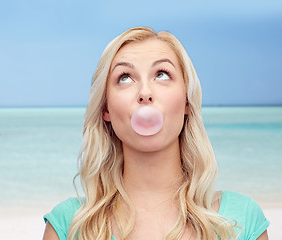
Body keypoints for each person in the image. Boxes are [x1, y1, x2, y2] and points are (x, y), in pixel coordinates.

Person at [42, 27, 270, 240]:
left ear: (186, 102)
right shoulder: (67, 225)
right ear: (105, 109)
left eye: (161, 74)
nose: (145, 93)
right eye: (125, 77)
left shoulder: (242, 221)